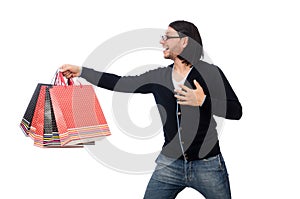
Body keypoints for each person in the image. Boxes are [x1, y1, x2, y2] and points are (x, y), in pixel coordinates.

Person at [61, 20, 242, 199]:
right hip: (169, 165)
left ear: (184, 41)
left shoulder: (210, 73)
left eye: (167, 37)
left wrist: (204, 100)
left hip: (208, 165)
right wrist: (82, 71)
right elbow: (120, 83)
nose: (162, 41)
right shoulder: (159, 76)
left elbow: (236, 111)